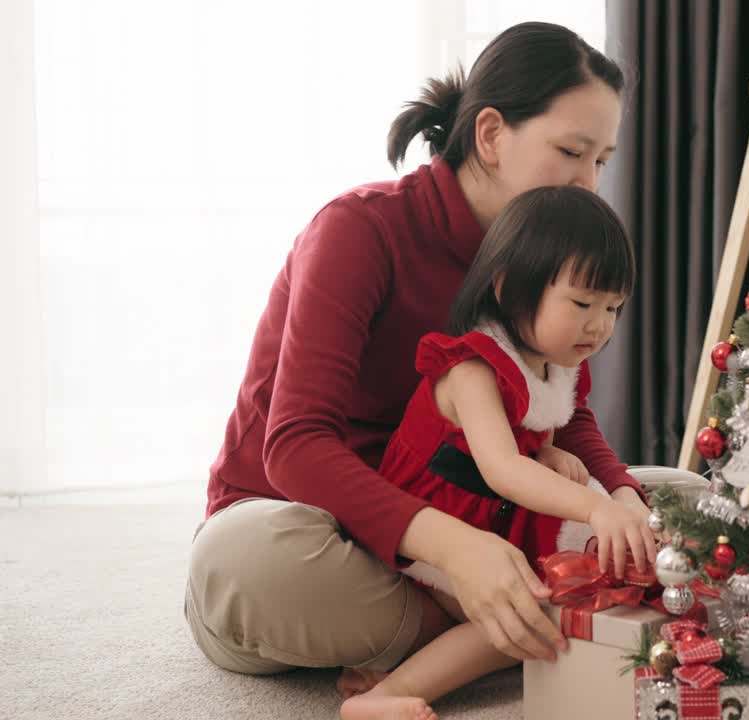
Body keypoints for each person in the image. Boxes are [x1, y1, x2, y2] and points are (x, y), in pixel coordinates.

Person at [185, 20, 645, 705]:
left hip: (474, 527)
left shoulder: (546, 268)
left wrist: (625, 498)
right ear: (490, 136)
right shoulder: (359, 231)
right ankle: (521, 615)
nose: (589, 185)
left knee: (674, 504)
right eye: (572, 152)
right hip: (314, 524)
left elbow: (566, 416)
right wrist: (461, 550)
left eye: (602, 160)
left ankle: (495, 616)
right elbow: (296, 447)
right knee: (248, 569)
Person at [341, 185, 655, 720]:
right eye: (582, 304)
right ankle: (383, 696)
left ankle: (386, 670)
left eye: (613, 308)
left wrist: (552, 458)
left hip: (493, 509)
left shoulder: (556, 360)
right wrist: (598, 507)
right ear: (511, 288)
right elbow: (504, 467)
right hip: (438, 515)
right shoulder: (472, 366)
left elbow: (538, 434)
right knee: (523, 613)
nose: (600, 325)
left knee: (589, 569)